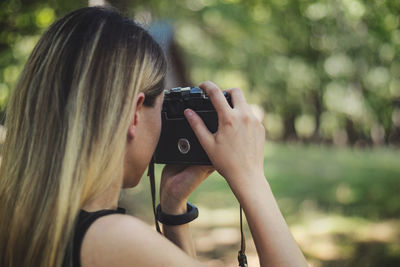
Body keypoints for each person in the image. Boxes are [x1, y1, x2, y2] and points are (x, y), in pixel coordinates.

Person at [0, 6, 308, 267]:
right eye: (161, 106)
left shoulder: (25, 223)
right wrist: (251, 178)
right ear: (134, 113)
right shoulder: (110, 239)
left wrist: (173, 208)